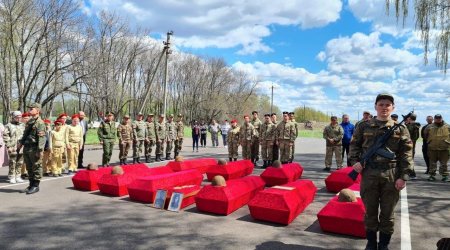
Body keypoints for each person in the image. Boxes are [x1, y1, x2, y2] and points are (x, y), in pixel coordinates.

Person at [350, 93, 413, 250]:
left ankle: (383, 245)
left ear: (393, 107)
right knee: (370, 212)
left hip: (391, 175)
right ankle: (371, 243)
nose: (384, 107)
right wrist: (355, 162)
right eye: (381, 104)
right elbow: (354, 145)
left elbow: (406, 153)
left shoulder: (401, 128)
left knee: (387, 214)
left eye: (387, 105)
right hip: (369, 173)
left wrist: (403, 176)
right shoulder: (363, 126)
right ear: (375, 106)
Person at [18, 103, 47, 194]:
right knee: (29, 167)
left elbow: (42, 138)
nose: (30, 110)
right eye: (29, 108)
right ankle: (31, 185)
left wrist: (40, 150)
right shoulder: (30, 121)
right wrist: (21, 143)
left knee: (36, 167)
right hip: (27, 147)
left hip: (35, 148)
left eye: (32, 109)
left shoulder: (40, 123)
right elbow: (25, 134)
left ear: (37, 110)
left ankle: (35, 186)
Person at [423, 114, 449, 182]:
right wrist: (430, 141)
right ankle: (431, 176)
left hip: (444, 148)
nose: (438, 119)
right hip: (432, 148)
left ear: (441, 118)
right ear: (434, 119)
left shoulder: (447, 126)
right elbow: (425, 135)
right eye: (436, 118)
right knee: (432, 163)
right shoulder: (429, 127)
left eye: (439, 118)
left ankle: (445, 176)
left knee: (444, 163)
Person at [3, 111, 25, 184]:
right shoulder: (8, 125)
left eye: (20, 117)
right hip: (12, 146)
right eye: (17, 117)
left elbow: (25, 135)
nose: (19, 119)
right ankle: (12, 177)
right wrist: (8, 146)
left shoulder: (23, 125)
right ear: (13, 117)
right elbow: (5, 136)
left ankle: (18, 176)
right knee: (12, 162)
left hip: (21, 145)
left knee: (20, 161)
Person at [405, 113, 421, 179]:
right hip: (407, 145)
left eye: (407, 118)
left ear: (410, 118)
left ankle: (412, 174)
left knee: (409, 159)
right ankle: (409, 173)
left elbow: (415, 137)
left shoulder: (414, 126)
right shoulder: (409, 125)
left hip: (410, 146)